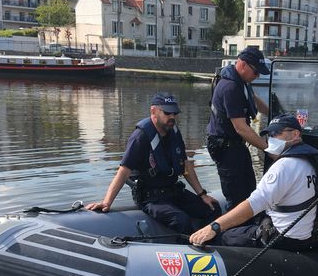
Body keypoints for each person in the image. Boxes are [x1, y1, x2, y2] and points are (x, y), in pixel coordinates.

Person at [191, 114, 318, 252]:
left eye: (277, 133)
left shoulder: (284, 166)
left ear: (295, 134)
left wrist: (215, 227)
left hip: (290, 239)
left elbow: (255, 203)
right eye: (270, 135)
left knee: (226, 236)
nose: (271, 138)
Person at [86, 92, 221, 236]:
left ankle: (209, 242)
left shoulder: (174, 133)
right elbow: (123, 172)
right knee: (181, 220)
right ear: (153, 111)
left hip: (173, 191)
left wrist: (202, 194)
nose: (172, 117)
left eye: (175, 113)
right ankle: (189, 249)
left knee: (213, 208)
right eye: (167, 112)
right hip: (151, 198)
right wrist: (107, 202)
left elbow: (186, 166)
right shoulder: (140, 137)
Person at [207, 47, 270, 210]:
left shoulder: (242, 82)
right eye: (256, 72)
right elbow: (241, 128)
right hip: (225, 148)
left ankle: (248, 227)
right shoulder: (230, 87)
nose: (257, 76)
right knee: (236, 197)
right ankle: (232, 233)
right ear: (243, 64)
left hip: (237, 146)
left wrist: (276, 114)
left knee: (249, 190)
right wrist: (269, 149)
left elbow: (255, 101)